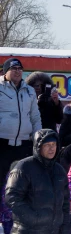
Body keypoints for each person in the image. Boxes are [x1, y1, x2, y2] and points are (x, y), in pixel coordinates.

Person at [5, 129, 70, 234]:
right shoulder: (24, 167)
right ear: (38, 147)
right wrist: (33, 218)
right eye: (47, 145)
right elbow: (12, 197)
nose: (51, 148)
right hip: (27, 230)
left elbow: (65, 203)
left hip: (53, 230)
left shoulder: (59, 170)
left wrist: (65, 226)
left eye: (54, 144)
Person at [0, 58, 41, 195]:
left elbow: (35, 117)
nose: (17, 71)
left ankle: (17, 215)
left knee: (21, 182)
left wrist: (38, 138)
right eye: (13, 69)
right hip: (2, 143)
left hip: (24, 144)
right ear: (5, 72)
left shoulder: (29, 91)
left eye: (20, 68)